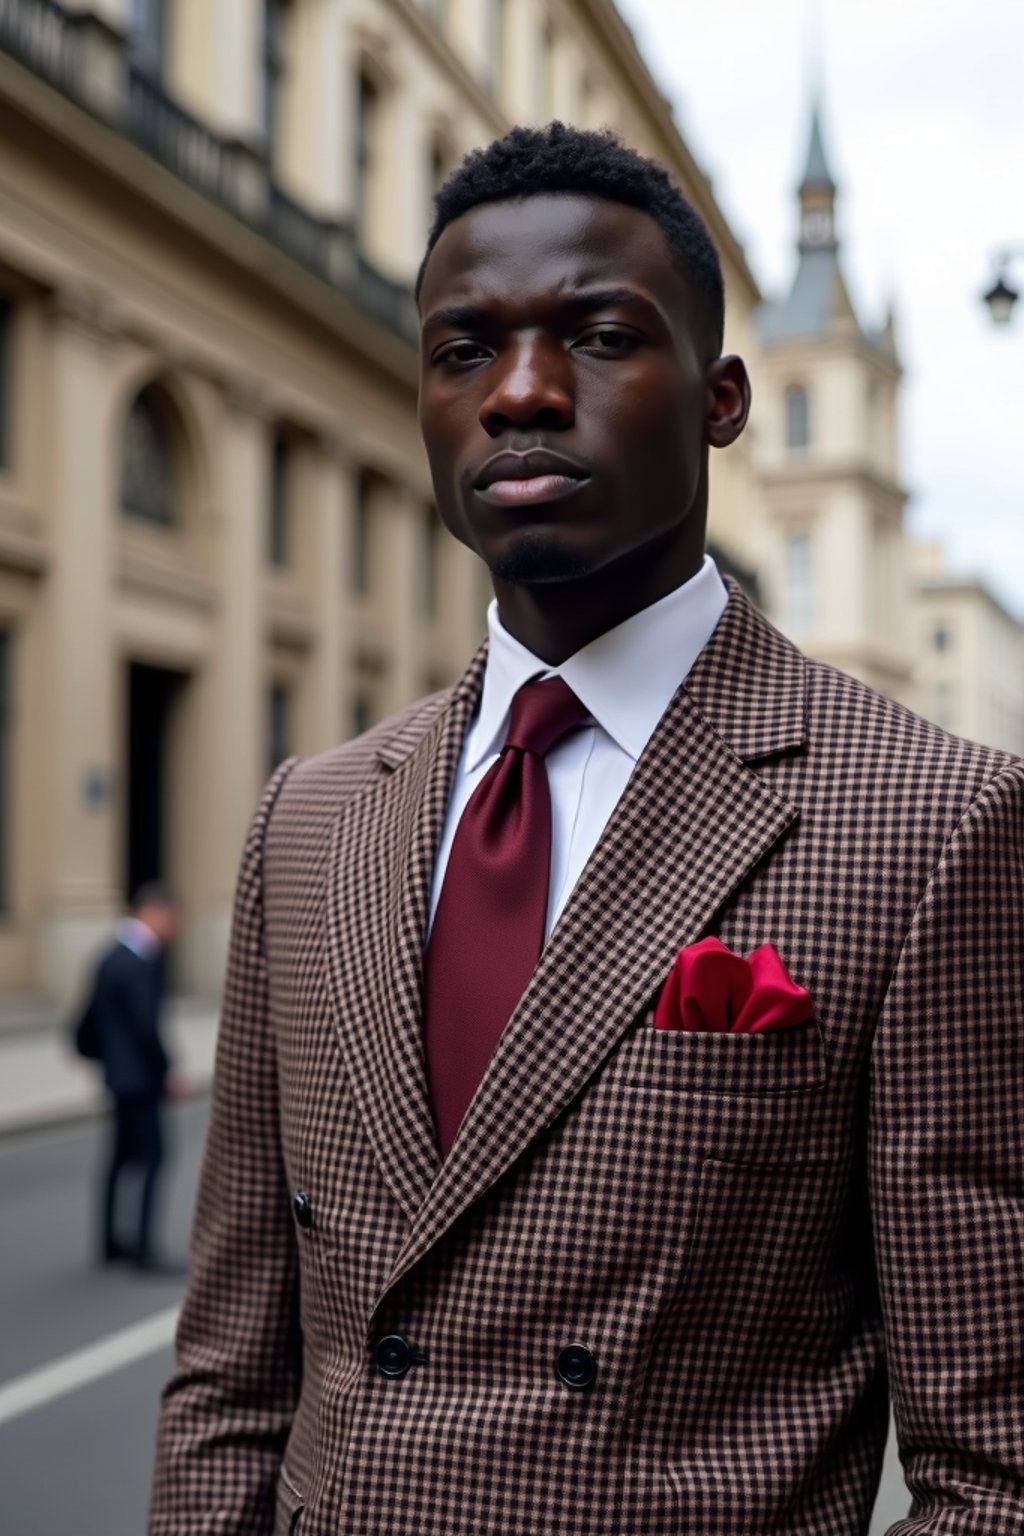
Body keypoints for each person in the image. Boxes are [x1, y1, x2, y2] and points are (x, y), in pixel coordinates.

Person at [149, 124, 1024, 1535]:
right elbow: (228, 1381)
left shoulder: (930, 821)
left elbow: (995, 1473)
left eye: (601, 337)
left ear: (723, 400)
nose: (522, 393)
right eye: (462, 351)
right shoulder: (306, 821)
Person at [87, 882, 184, 1274]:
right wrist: (166, 1071)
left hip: (118, 1075)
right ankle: (142, 1247)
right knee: (152, 1157)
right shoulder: (141, 960)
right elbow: (147, 1027)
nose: (174, 928)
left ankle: (109, 1243)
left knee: (118, 1160)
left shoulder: (109, 956)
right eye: (173, 919)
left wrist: (103, 1056)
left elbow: (89, 1019)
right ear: (154, 913)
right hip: (141, 1078)